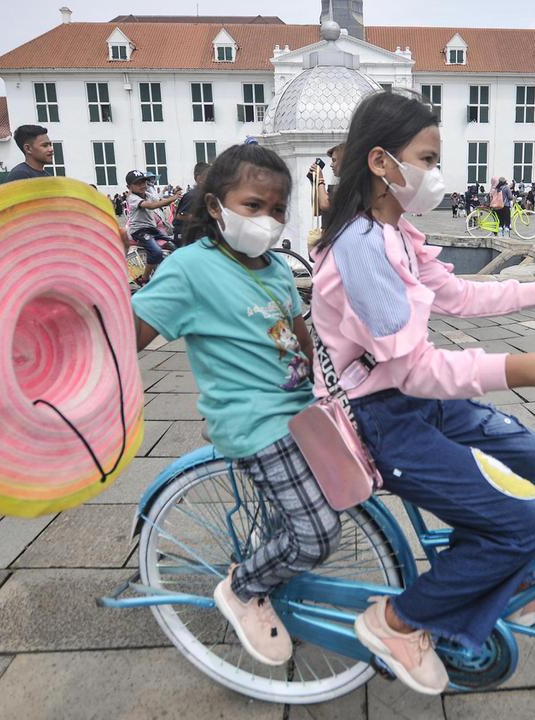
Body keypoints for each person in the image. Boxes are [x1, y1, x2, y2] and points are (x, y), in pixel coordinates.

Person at [311, 90, 535, 696]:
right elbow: (416, 370)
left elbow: (456, 295)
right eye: (426, 156)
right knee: (519, 520)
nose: (436, 172)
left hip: (416, 403)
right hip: (380, 416)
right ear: (380, 163)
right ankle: (396, 622)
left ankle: (507, 588)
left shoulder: (396, 230)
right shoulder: (361, 248)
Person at [131, 142, 337, 668]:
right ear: (216, 205)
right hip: (254, 423)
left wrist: (322, 380)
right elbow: (128, 333)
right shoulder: (189, 269)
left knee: (343, 490)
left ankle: (270, 566)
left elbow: (297, 331)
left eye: (276, 210)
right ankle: (244, 588)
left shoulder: (272, 268)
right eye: (253, 206)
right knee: (316, 535)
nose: (267, 219)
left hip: (299, 410)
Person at [124, 170, 179, 284]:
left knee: (175, 243)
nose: (142, 185)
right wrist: (172, 198)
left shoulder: (148, 194)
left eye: (144, 182)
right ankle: (144, 278)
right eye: (138, 183)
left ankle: (170, 272)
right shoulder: (133, 198)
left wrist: (174, 196)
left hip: (151, 229)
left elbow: (159, 201)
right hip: (140, 231)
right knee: (156, 252)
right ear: (129, 187)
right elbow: (152, 205)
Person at [173, 162, 211, 247]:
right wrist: (201, 220)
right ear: (199, 178)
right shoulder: (192, 195)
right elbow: (180, 215)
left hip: (196, 233)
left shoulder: (204, 194)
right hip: (184, 234)